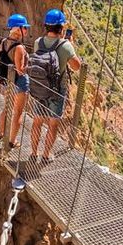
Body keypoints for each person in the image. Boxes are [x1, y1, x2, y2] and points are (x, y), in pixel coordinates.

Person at [28, 9, 81, 164]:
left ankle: (33, 153)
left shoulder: (39, 42)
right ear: (61, 28)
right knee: (53, 123)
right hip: (57, 90)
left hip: (39, 87)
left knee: (37, 121)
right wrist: (70, 45)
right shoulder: (66, 46)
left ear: (46, 26)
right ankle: (46, 155)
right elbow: (76, 66)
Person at [0, 14, 30, 150]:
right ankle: (12, 141)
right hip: (19, 82)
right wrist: (30, 65)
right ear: (18, 29)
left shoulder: (4, 42)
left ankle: (0, 133)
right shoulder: (19, 47)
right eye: (25, 28)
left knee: (6, 107)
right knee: (18, 112)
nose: (26, 30)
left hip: (7, 81)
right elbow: (20, 70)